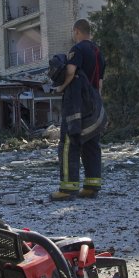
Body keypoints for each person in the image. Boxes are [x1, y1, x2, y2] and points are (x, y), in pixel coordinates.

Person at [50, 18, 106, 201]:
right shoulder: (99, 53)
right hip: (93, 103)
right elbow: (99, 84)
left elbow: (71, 71)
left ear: (76, 31)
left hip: (76, 103)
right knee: (91, 142)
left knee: (68, 143)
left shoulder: (78, 49)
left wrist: (61, 87)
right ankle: (91, 186)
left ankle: (67, 189)